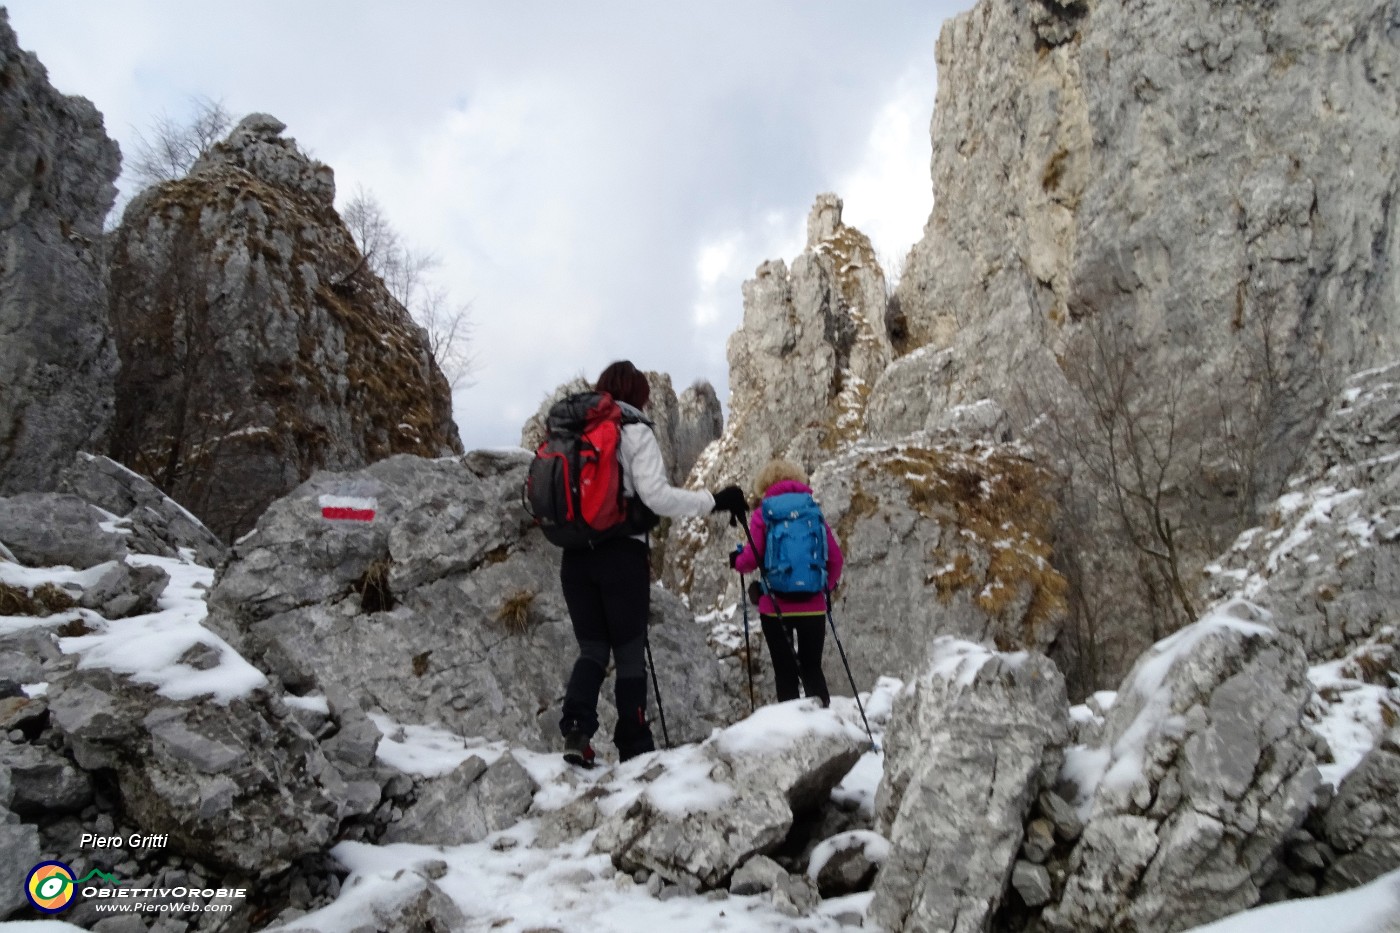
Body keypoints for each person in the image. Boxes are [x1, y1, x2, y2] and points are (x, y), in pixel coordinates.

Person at [558, 360, 746, 767]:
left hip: (575, 558)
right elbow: (656, 497)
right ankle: (635, 745)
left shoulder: (573, 433)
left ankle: (576, 731)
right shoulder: (633, 430)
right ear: (639, 395)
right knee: (628, 655)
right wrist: (712, 501)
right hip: (621, 556)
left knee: (591, 650)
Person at [731, 458, 843, 707]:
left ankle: (791, 735)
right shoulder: (812, 511)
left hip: (775, 605)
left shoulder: (764, 513)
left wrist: (737, 561)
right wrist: (824, 588)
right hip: (813, 605)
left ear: (764, 484)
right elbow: (836, 559)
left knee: (785, 672)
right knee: (812, 668)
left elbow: (751, 559)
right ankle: (824, 727)